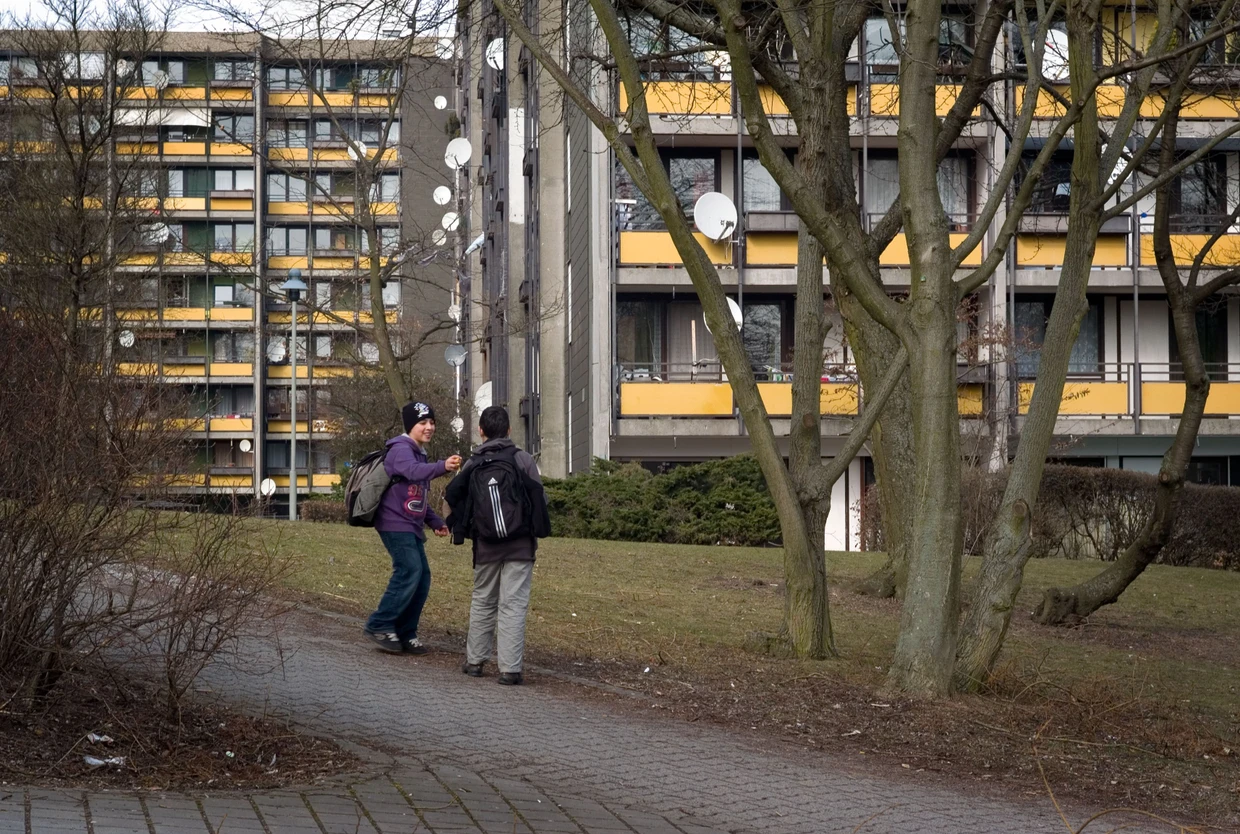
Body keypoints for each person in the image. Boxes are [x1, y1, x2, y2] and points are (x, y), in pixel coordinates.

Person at [445, 406, 547, 685]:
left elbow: (456, 498)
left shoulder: (472, 464)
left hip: (485, 544)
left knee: (483, 601)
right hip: (521, 545)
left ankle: (475, 662)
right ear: (509, 431)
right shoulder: (522, 460)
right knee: (513, 604)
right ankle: (510, 670)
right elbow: (539, 497)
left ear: (481, 431)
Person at [364, 400, 462, 654]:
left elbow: (416, 497)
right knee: (409, 570)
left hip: (411, 525)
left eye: (432, 422)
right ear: (411, 426)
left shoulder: (419, 452)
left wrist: (435, 521)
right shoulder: (401, 450)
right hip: (394, 523)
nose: (429, 427)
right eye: (422, 423)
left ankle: (405, 632)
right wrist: (443, 466)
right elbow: (414, 471)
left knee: (422, 578)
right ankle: (380, 624)